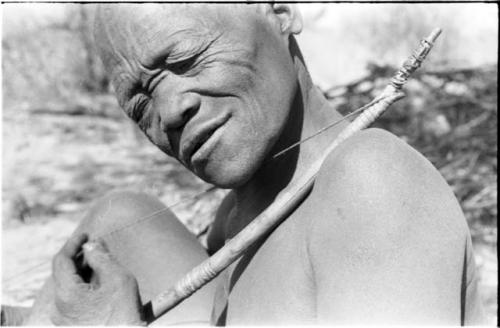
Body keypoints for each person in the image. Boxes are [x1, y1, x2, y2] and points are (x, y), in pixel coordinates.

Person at [7, 3, 485, 325]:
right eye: (139, 105)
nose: (170, 111)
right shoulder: (233, 221)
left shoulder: (371, 180)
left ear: (280, 11)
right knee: (121, 221)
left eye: (187, 59)